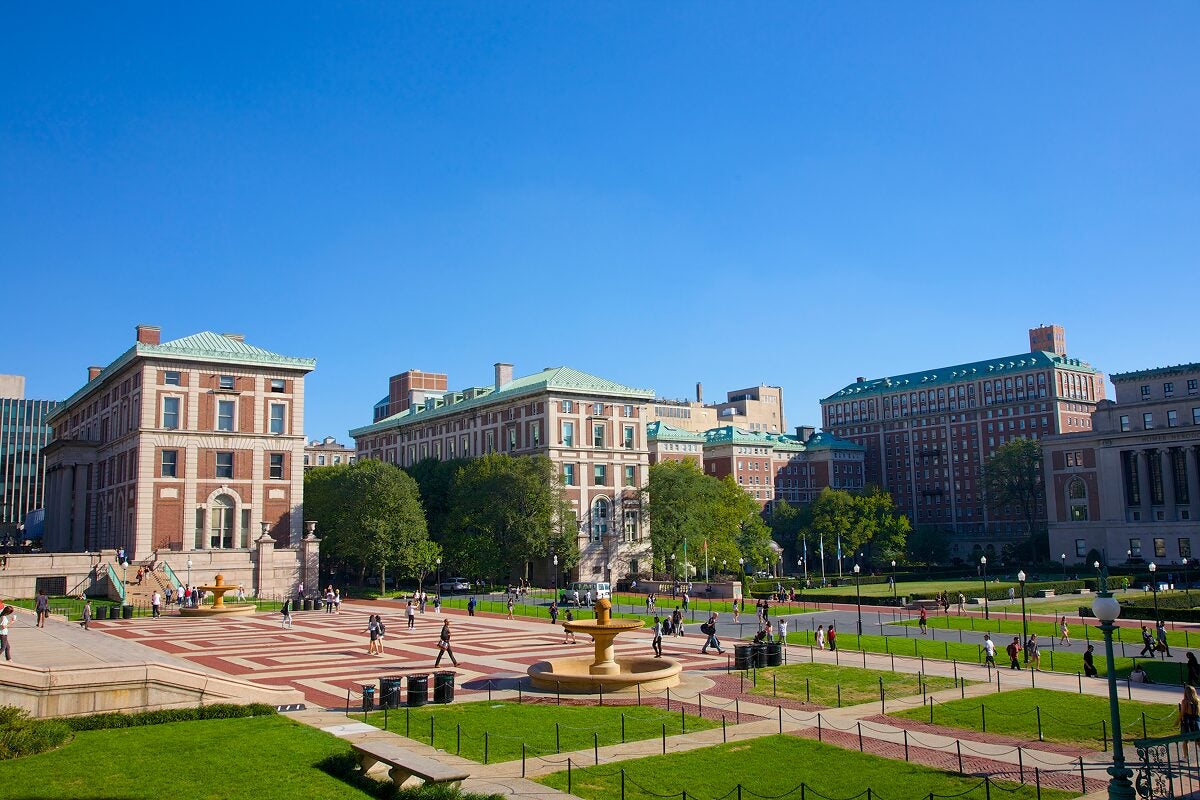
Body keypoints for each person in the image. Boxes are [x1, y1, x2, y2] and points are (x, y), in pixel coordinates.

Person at [1182, 685, 1200, 758]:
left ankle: (1186, 757)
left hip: (1188, 721)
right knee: (1198, 740)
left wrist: (1177, 721)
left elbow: (1182, 712)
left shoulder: (1185, 701)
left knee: (1185, 740)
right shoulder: (1197, 700)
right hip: (1196, 720)